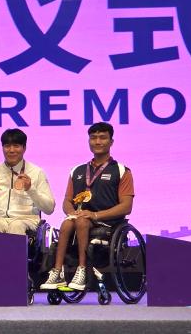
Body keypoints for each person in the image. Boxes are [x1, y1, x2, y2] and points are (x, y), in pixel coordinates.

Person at [40, 122, 135, 291]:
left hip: (108, 223)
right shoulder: (77, 171)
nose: (97, 141)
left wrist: (95, 215)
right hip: (81, 219)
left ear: (111, 142)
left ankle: (82, 270)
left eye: (102, 138)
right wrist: (72, 213)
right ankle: (57, 272)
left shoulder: (121, 171)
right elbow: (67, 201)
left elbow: (126, 207)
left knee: (82, 221)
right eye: (93, 138)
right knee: (67, 222)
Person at [0, 128, 55, 235]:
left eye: (16, 146)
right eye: (7, 146)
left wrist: (31, 189)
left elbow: (49, 209)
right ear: (2, 148)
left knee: (16, 226)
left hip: (26, 219)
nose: (11, 150)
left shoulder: (37, 172)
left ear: (24, 148)